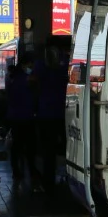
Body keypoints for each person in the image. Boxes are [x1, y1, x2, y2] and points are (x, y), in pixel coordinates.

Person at [6, 56, 42, 191]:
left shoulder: (13, 77)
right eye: (30, 65)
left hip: (15, 116)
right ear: (24, 65)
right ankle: (30, 170)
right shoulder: (25, 79)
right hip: (24, 116)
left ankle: (17, 170)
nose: (31, 69)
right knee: (29, 145)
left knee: (17, 145)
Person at [35, 41, 68, 188]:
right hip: (64, 112)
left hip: (46, 114)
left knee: (48, 151)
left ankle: (48, 182)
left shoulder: (41, 65)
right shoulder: (65, 63)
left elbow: (33, 84)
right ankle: (68, 177)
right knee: (68, 147)